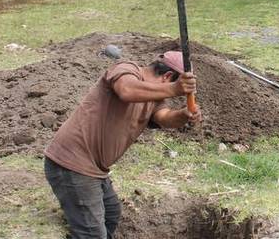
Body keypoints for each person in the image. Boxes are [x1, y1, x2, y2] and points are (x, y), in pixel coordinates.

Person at [43, 51, 202, 239]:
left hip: (94, 169)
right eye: (172, 84)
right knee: (92, 234)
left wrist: (184, 115)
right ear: (167, 77)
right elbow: (127, 91)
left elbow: (165, 117)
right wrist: (175, 89)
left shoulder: (153, 96)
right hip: (72, 164)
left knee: (111, 214)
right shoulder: (126, 70)